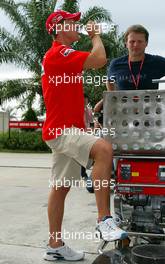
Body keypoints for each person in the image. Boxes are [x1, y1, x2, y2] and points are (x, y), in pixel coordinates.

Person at [41, 10, 127, 262]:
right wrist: (96, 36)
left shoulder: (58, 57)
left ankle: (55, 245)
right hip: (63, 130)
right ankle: (104, 220)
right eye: (71, 22)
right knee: (103, 149)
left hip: (62, 130)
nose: (76, 24)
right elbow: (99, 58)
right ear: (59, 28)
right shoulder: (60, 52)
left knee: (60, 188)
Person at [107, 24, 165, 91]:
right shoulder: (116, 64)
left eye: (140, 41)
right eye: (132, 41)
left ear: (146, 43)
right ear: (126, 44)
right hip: (124, 101)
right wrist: (113, 98)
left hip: (151, 101)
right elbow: (109, 82)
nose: (136, 45)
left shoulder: (157, 62)